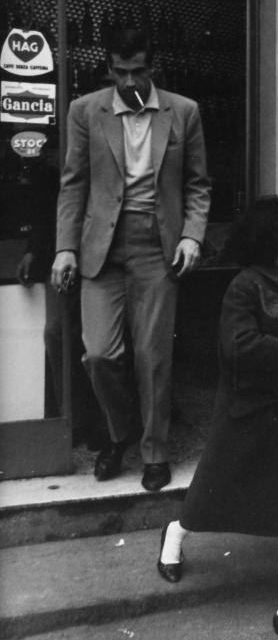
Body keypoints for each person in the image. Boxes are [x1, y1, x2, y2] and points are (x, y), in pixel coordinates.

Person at [156, 196, 278, 639]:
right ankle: (174, 534)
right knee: (216, 490)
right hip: (251, 411)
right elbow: (239, 347)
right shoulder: (246, 286)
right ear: (274, 236)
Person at [51, 28, 211, 491]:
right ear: (108, 69)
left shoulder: (183, 113)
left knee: (152, 355)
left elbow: (199, 185)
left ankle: (155, 451)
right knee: (99, 353)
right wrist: (65, 247)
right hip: (101, 248)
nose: (128, 81)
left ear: (151, 67)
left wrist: (192, 237)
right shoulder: (86, 111)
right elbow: (73, 183)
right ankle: (120, 435)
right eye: (120, 72)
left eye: (137, 70)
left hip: (157, 247)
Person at [13, 144, 107, 450]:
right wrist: (33, 251)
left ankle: (101, 423)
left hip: (103, 261)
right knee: (59, 335)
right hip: (62, 262)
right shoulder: (49, 171)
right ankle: (78, 420)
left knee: (98, 342)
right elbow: (45, 214)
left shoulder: (99, 160)